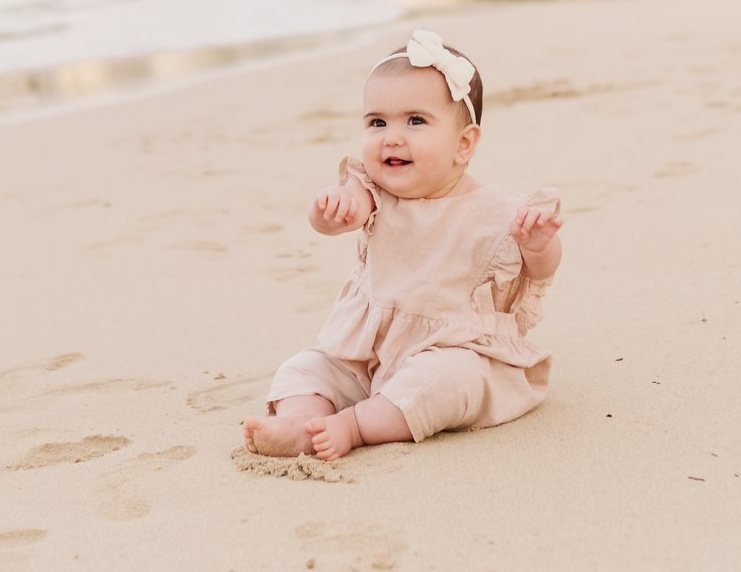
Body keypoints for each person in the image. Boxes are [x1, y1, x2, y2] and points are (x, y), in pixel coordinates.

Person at [241, 31, 563, 462]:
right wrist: (330, 209)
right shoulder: (372, 192)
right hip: (369, 356)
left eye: (415, 121)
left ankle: (354, 425)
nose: (391, 137)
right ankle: (303, 421)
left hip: (454, 350)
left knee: (448, 381)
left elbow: (540, 270)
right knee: (305, 367)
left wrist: (538, 244)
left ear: (464, 143)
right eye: (378, 122)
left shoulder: (500, 211)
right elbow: (342, 215)